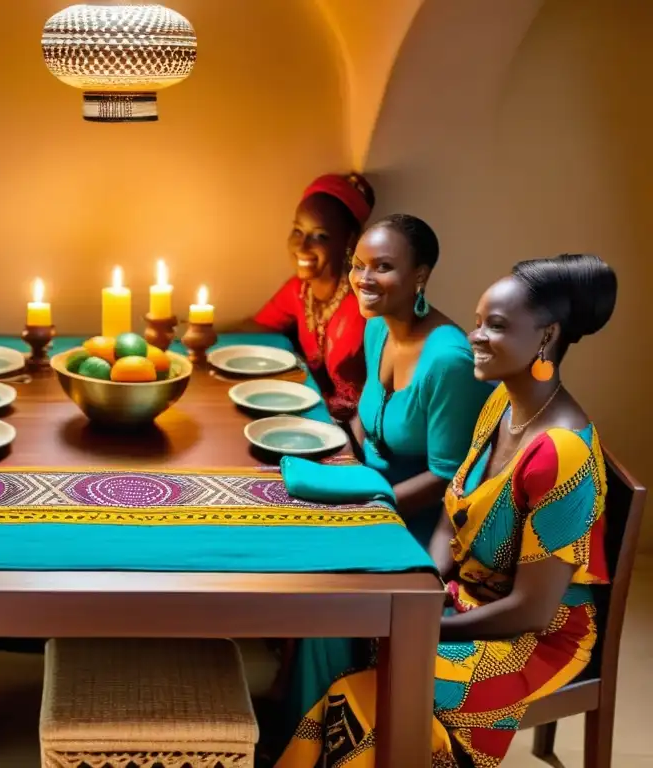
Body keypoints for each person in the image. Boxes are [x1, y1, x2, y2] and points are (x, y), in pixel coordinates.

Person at [276, 253, 616, 768]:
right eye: (478, 321)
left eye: (496, 326)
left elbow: (533, 610)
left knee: (369, 688)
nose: (474, 336)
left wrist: (419, 624)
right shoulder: (502, 402)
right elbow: (448, 519)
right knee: (339, 622)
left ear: (546, 337)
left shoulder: (561, 453)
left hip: (532, 639)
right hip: (465, 599)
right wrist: (426, 591)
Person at [348, 213, 493, 546]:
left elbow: (446, 477)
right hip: (368, 489)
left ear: (420, 276)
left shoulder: (448, 361)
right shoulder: (376, 327)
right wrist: (345, 462)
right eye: (358, 265)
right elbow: (365, 414)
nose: (363, 279)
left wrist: (371, 511)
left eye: (382, 267)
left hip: (419, 518)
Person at [248, 173, 375, 422]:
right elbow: (257, 327)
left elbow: (358, 407)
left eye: (320, 236)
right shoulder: (300, 290)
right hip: (314, 419)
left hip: (356, 440)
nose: (303, 246)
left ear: (349, 240)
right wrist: (201, 328)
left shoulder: (360, 308)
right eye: (298, 230)